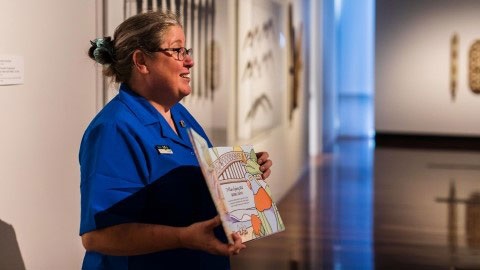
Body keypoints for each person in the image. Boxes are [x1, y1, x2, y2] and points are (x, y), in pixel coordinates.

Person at [79, 10, 273, 270]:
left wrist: (242, 175)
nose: (190, 61)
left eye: (186, 50)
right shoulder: (114, 129)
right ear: (141, 61)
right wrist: (183, 238)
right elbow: (98, 236)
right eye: (177, 50)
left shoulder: (177, 112)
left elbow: (197, 182)